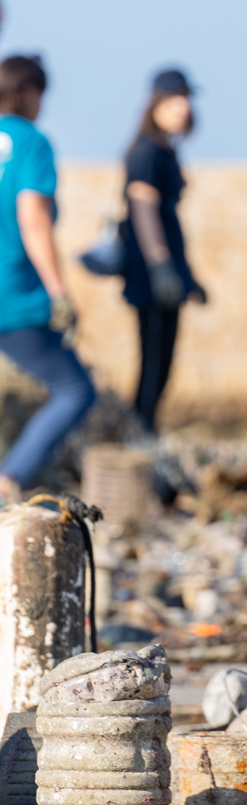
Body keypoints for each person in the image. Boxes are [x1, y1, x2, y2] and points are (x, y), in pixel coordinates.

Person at [0, 54, 95, 496]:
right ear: (31, 93)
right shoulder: (31, 142)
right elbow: (32, 217)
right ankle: (10, 477)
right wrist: (59, 293)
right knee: (74, 389)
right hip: (14, 293)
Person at [121, 67, 207, 432]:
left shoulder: (164, 151)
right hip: (151, 278)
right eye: (173, 100)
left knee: (163, 363)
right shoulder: (147, 153)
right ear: (155, 104)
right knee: (154, 364)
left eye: (185, 99)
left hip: (168, 275)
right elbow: (143, 210)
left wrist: (189, 277)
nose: (182, 107)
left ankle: (145, 431)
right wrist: (161, 268)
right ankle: (138, 435)